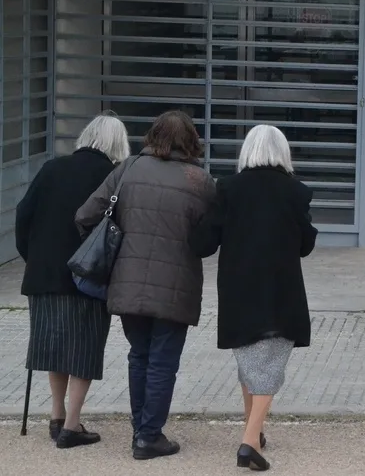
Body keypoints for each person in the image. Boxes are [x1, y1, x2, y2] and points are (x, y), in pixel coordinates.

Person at [75, 110, 215, 460]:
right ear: (191, 140)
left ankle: (141, 430)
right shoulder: (200, 180)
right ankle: (149, 436)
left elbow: (85, 215)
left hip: (127, 283)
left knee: (139, 355)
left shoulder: (129, 168)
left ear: (153, 135)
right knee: (163, 362)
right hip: (176, 287)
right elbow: (209, 241)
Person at [190, 125, 317, 471]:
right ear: (283, 152)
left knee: (249, 361)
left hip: (238, 287)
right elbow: (305, 246)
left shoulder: (228, 188)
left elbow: (205, 242)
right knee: (269, 366)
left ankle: (254, 431)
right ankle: (249, 443)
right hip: (280, 288)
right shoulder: (295, 191)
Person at [15, 115, 130, 449]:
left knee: (53, 346)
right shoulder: (112, 177)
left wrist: (32, 257)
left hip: (44, 275)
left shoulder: (52, 168)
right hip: (89, 276)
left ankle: (55, 414)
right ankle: (71, 424)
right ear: (117, 145)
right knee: (84, 350)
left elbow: (23, 214)